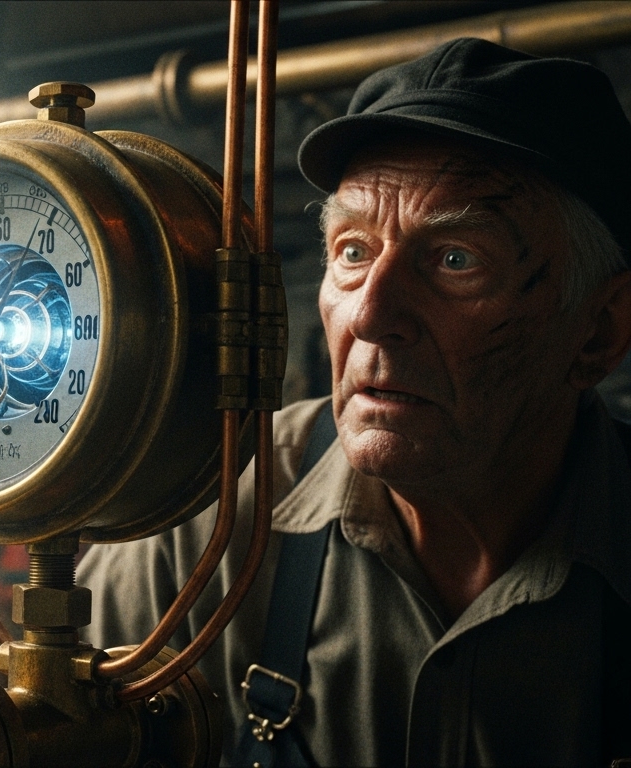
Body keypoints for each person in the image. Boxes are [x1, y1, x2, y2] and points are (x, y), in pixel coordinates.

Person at [78, 38, 631, 767]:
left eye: (456, 259)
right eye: (353, 251)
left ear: (597, 331)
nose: (371, 315)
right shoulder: (212, 515)